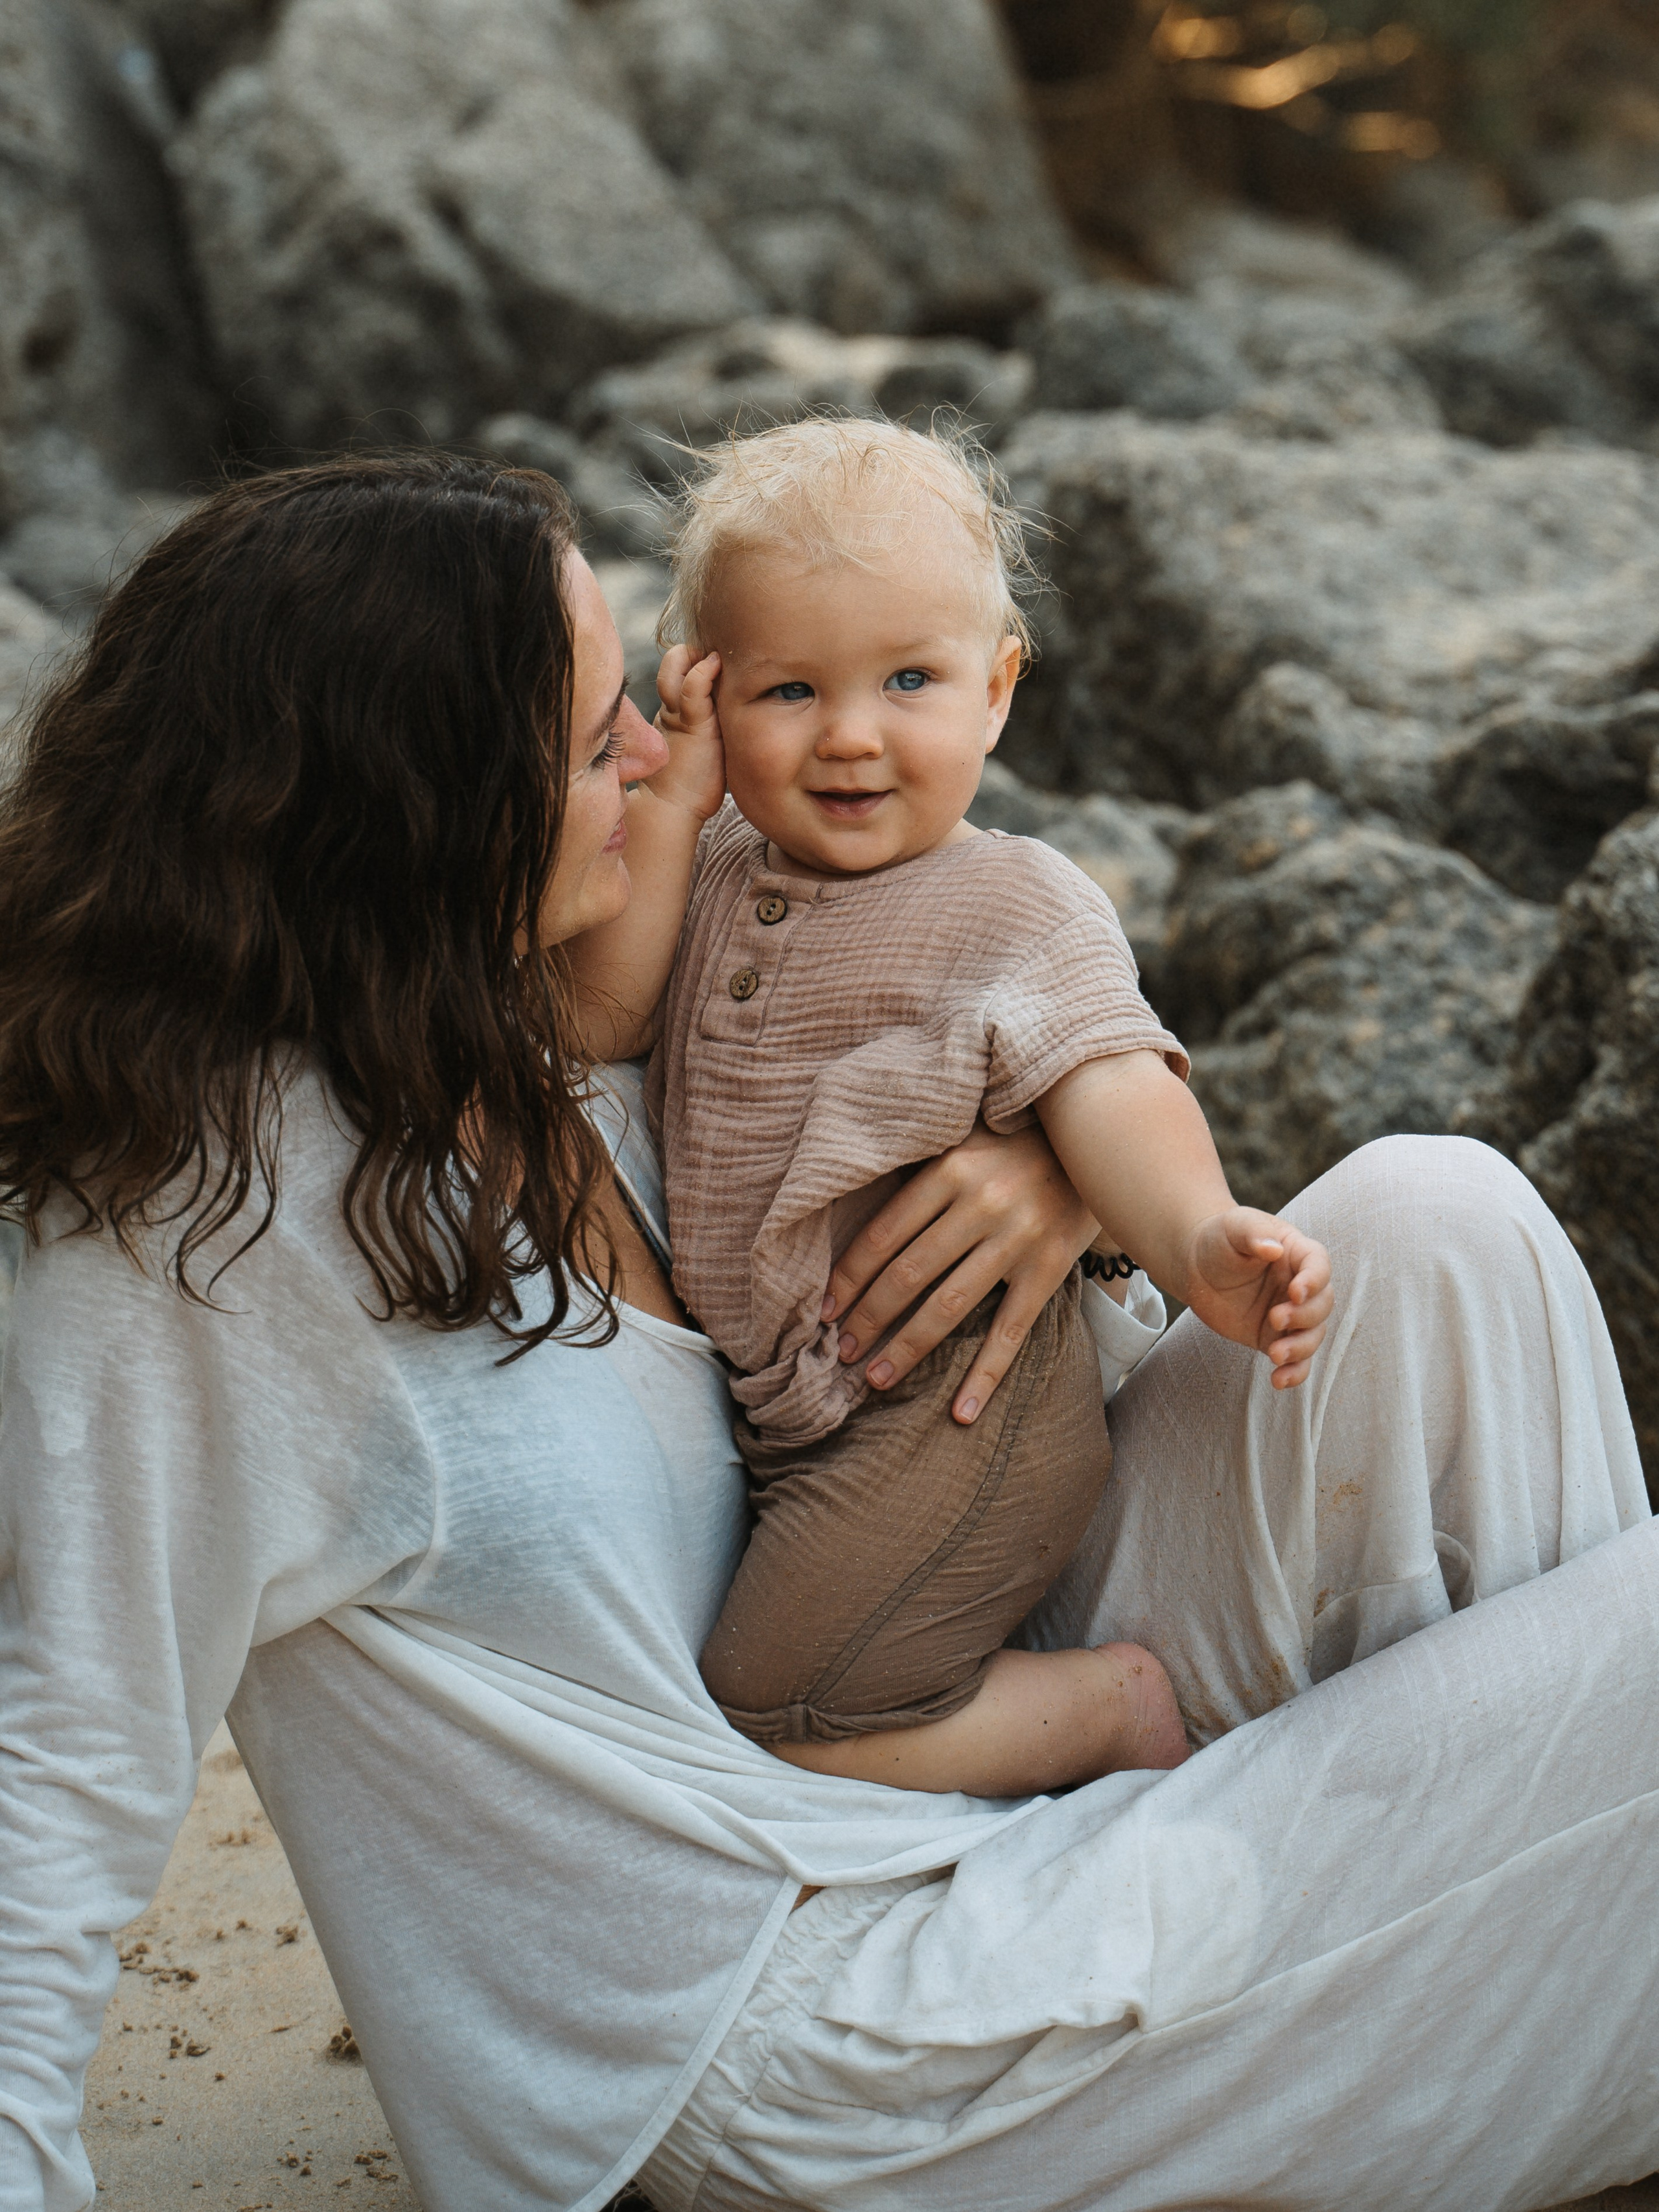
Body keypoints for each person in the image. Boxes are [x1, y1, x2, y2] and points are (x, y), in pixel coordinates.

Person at [0, 452, 1654, 2212]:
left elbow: (920, 1033)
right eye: (596, 735)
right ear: (410, 807)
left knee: (1438, 1220)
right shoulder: (190, 1243)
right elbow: (64, 1756)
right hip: (820, 2022)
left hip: (950, 1704)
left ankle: (1485, 1905)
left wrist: (1057, 1176)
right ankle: (1500, 1907)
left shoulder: (539, 1015)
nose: (664, 748)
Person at [570, 417, 1331, 1795]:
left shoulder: (1012, 904)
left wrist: (1197, 1236)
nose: (850, 738)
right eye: (787, 691)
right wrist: (674, 810)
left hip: (958, 1405)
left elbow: (1108, 1080)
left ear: (996, 688)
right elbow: (601, 1021)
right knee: (788, 1667)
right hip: (805, 1405)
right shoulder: (713, 858)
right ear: (704, 689)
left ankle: (1114, 1712)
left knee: (779, 1704)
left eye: (907, 680)